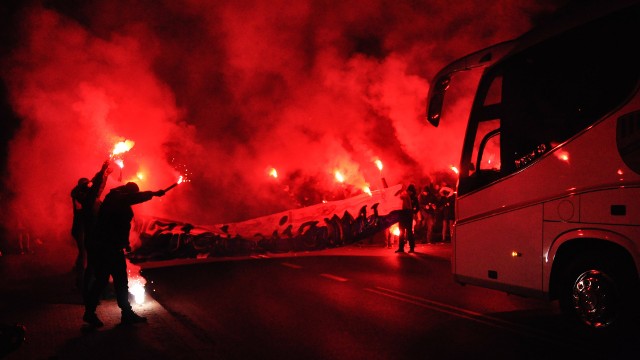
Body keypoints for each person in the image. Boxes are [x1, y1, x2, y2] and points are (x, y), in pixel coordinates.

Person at [83, 182, 166, 327]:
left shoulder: (116, 199)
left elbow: (120, 225)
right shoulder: (117, 198)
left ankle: (123, 313)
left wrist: (125, 242)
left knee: (117, 281)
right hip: (107, 248)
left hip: (111, 247)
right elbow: (132, 199)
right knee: (106, 281)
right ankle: (93, 313)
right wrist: (153, 193)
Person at [71, 160, 112, 290]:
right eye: (86, 185)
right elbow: (94, 187)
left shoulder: (87, 195)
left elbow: (99, 187)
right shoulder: (80, 196)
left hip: (88, 228)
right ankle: (81, 280)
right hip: (81, 228)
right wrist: (101, 172)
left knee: (87, 254)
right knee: (84, 253)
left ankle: (83, 275)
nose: (89, 186)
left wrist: (105, 174)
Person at [395, 183, 419, 253]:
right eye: (408, 191)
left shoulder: (414, 198)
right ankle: (401, 248)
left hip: (408, 214)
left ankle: (412, 248)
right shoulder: (403, 196)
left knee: (409, 232)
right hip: (402, 214)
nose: (409, 192)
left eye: (410, 191)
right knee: (401, 232)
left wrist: (413, 212)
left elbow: (417, 207)